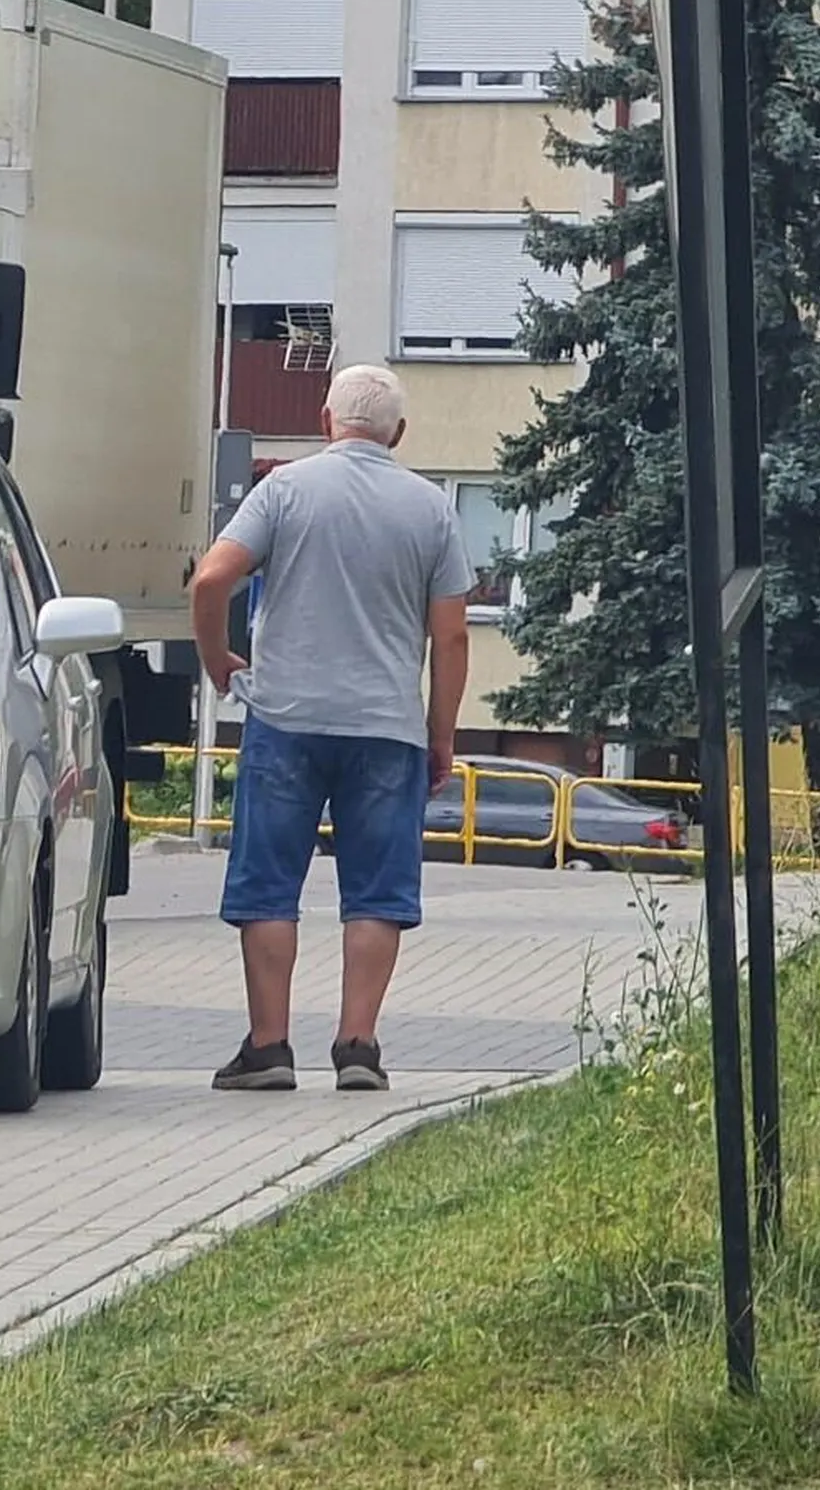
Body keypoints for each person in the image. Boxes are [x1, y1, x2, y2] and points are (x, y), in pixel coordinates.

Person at [189, 363, 473, 1094]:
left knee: (269, 887)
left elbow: (212, 578)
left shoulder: (283, 489)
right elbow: (452, 638)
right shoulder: (431, 510)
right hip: (386, 728)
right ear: (398, 434)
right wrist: (440, 733)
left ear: (326, 422)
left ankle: (269, 1047)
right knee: (377, 892)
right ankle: (357, 1047)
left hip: (285, 719)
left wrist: (217, 656)